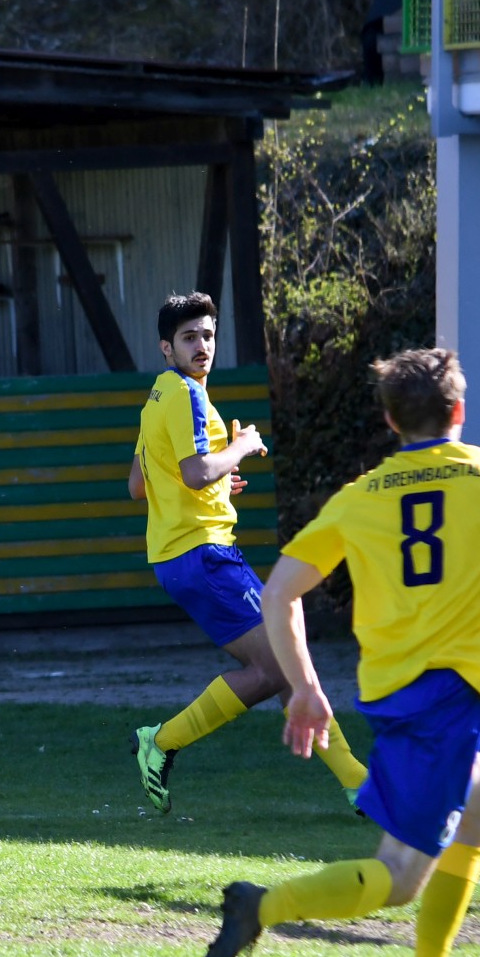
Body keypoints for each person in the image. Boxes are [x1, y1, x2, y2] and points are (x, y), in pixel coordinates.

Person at [202, 347, 480, 957]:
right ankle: (261, 906)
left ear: (392, 421)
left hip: (394, 691)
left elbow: (280, 592)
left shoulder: (361, 496)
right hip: (446, 695)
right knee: (397, 876)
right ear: (459, 410)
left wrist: (305, 686)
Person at [128, 292, 368, 815]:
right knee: (282, 664)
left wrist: (217, 483)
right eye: (189, 337)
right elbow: (193, 473)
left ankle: (357, 783)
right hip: (204, 555)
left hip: (181, 558)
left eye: (208, 335)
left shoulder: (158, 396)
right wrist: (240, 448)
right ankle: (162, 741)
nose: (202, 346)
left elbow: (139, 484)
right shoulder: (188, 396)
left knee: (284, 665)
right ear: (166, 347)